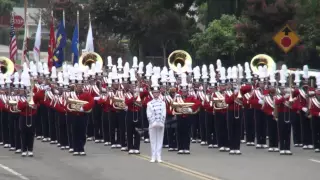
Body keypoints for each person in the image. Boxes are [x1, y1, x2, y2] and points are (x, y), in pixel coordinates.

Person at [147, 75, 166, 163]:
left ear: (159, 93)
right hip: (152, 124)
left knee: (160, 140)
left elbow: (164, 113)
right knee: (153, 140)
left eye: (157, 92)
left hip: (160, 123)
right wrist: (153, 122)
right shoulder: (149, 103)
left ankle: (159, 156)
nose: (156, 94)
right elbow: (149, 114)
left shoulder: (162, 103)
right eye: (154, 92)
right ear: (152, 93)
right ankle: (153, 156)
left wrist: (161, 121)